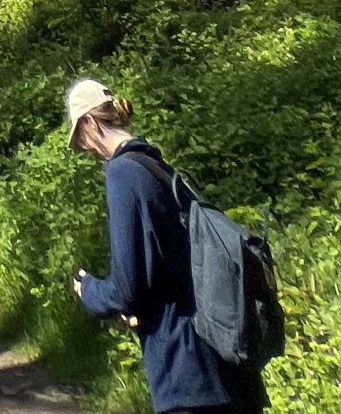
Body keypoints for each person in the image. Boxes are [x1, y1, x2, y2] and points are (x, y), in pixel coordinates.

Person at [65, 78, 265, 414]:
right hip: (229, 365)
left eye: (81, 140)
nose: (86, 150)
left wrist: (90, 292)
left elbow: (127, 288)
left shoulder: (123, 173)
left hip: (186, 375)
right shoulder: (160, 168)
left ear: (89, 122)